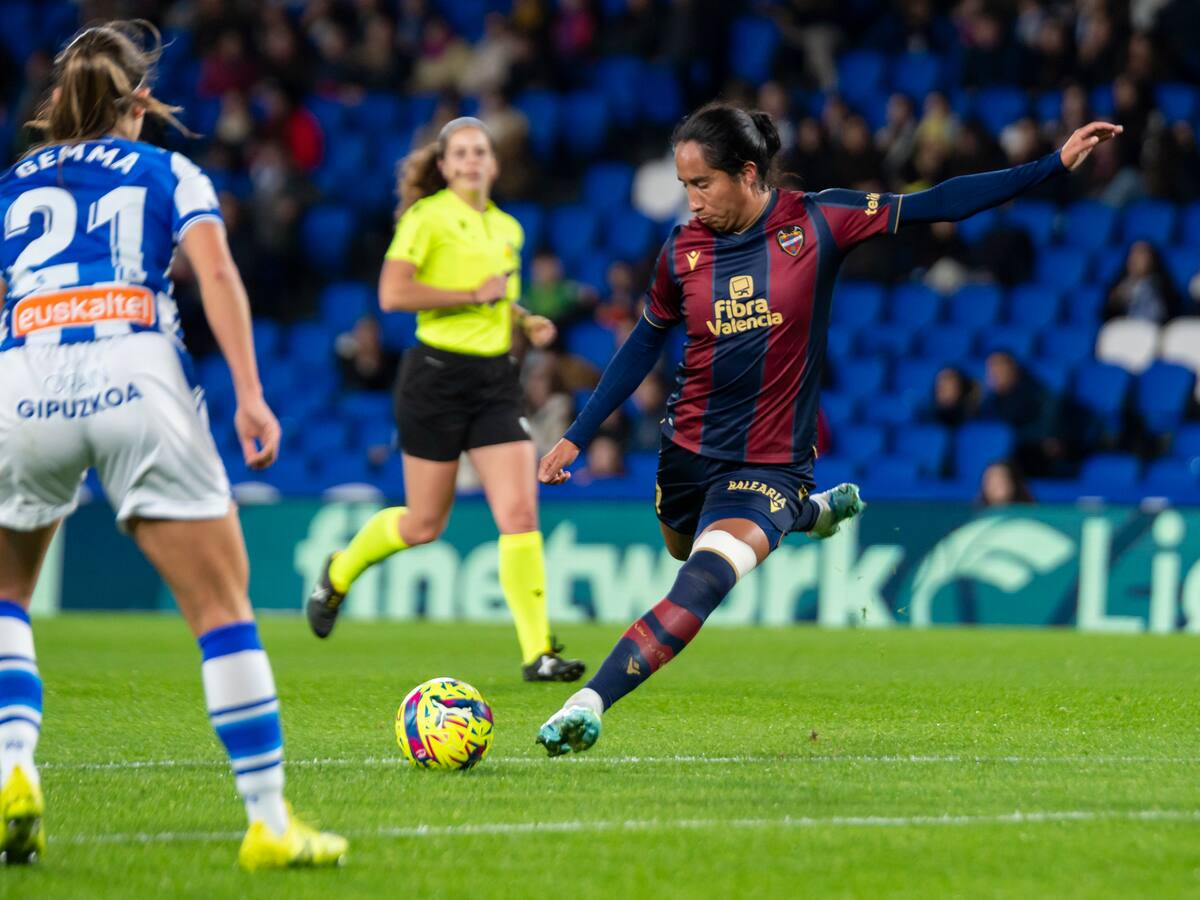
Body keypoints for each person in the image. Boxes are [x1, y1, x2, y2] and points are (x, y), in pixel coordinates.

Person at [533, 101, 1121, 756]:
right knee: (680, 546)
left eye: (703, 184)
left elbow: (941, 203)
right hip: (687, 453)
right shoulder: (681, 251)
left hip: (771, 462)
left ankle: (587, 704)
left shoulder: (817, 220)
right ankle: (809, 515)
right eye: (685, 186)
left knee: (701, 578)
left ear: (749, 173)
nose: (692, 201)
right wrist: (578, 433)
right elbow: (645, 342)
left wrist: (1052, 164)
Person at [0, 23, 345, 868]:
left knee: (6, 596)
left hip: (24, 371)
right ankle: (268, 821)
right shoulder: (167, 169)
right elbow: (217, 273)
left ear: (60, 103)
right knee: (224, 609)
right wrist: (253, 397)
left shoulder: (10, 185)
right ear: (141, 102)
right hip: (132, 362)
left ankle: (11, 768)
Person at [306, 117, 585, 683]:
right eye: (459, 153)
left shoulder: (508, 228)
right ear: (443, 165)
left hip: (494, 383)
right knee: (423, 524)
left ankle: (538, 653)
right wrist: (469, 296)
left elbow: (497, 299)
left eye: (480, 151)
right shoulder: (425, 218)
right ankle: (339, 572)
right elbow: (392, 293)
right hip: (435, 378)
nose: (471, 161)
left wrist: (524, 319)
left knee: (520, 511)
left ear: (494, 162)